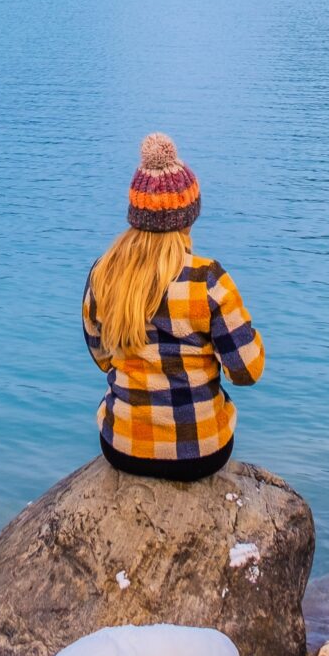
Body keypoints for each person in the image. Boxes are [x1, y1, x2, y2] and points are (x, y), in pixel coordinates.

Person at [81, 133, 264, 482]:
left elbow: (102, 355)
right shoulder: (208, 280)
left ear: (135, 215)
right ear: (188, 217)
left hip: (122, 447)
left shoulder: (102, 273)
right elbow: (247, 371)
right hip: (202, 452)